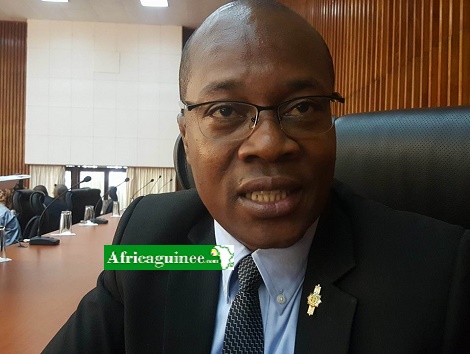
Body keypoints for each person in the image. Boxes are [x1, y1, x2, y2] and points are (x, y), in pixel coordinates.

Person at [43, 1, 470, 353]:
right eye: (225, 110)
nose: (268, 144)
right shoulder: (151, 239)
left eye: (302, 107)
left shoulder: (438, 278)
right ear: (186, 137)